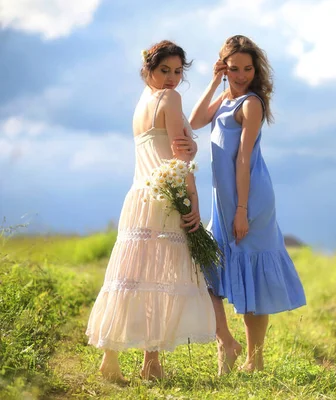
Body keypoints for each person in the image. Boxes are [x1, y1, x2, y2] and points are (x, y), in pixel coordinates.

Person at [85, 40, 216, 384]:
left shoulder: (142, 102)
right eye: (164, 71)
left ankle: (111, 360)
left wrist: (191, 142)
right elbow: (179, 160)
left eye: (177, 72)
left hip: (138, 197)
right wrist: (194, 204)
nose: (172, 79)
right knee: (160, 278)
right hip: (165, 198)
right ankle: (151, 363)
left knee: (129, 277)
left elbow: (167, 147)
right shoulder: (170, 99)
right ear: (148, 69)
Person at [189, 35, 306, 374]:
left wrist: (242, 211)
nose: (241, 75)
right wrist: (214, 82)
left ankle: (256, 358)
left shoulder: (251, 104)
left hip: (250, 199)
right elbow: (196, 121)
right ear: (224, 67)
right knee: (208, 271)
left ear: (256, 70)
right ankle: (227, 341)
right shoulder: (225, 97)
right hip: (223, 202)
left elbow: (243, 160)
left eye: (247, 69)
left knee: (252, 272)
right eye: (234, 68)